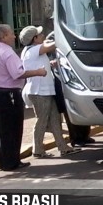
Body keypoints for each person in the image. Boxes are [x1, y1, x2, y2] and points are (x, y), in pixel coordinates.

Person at [0, 24, 47, 171]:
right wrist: (38, 72)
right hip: (8, 94)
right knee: (12, 128)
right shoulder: (7, 53)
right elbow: (18, 74)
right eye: (11, 34)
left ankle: (2, 162)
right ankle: (12, 161)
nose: (14, 36)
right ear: (3, 37)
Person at [20, 25, 80, 158]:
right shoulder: (35, 49)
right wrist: (64, 33)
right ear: (34, 39)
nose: (42, 36)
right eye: (39, 35)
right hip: (39, 92)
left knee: (54, 120)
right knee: (42, 120)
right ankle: (38, 149)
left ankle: (63, 146)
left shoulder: (31, 50)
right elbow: (53, 44)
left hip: (45, 91)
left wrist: (50, 63)